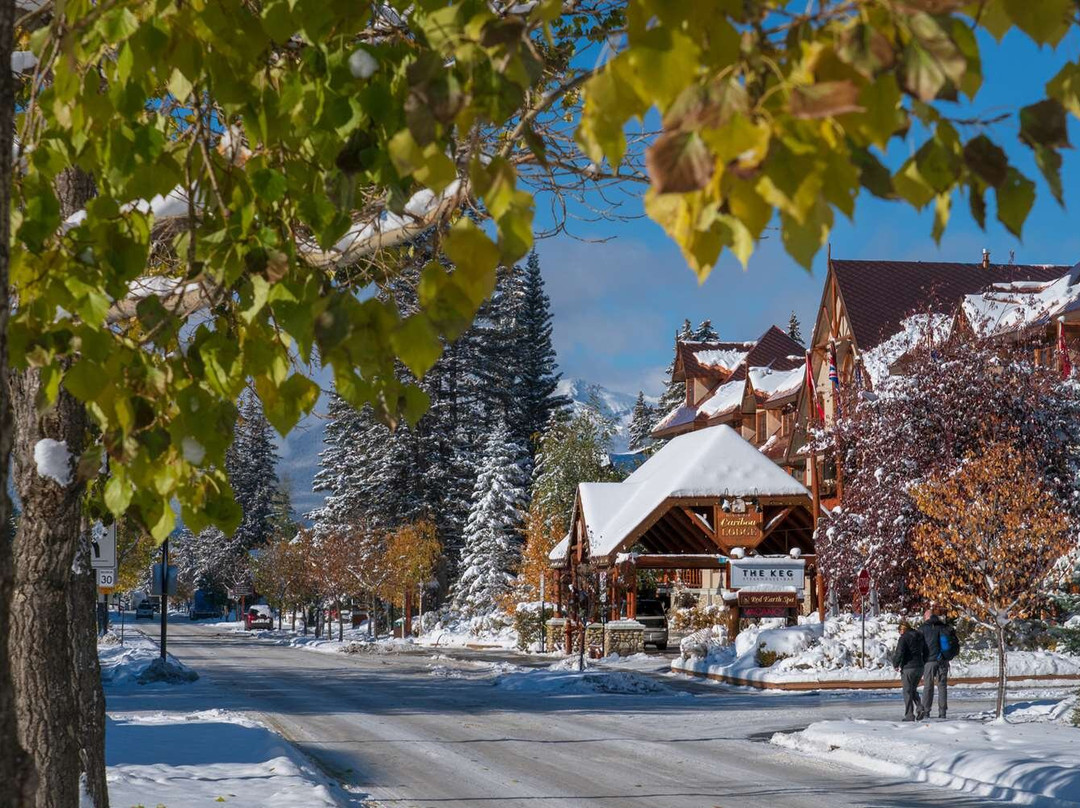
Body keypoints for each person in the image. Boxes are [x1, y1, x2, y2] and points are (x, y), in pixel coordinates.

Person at [920, 608, 954, 719]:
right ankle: (942, 712)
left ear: (927, 617)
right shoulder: (943, 627)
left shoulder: (923, 629)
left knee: (928, 687)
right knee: (942, 687)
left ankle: (926, 711)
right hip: (943, 661)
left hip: (929, 662)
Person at [892, 620, 929, 721]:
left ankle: (909, 715)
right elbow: (926, 651)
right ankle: (920, 707)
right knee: (912, 690)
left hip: (908, 667)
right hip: (920, 667)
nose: (899, 632)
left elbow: (900, 652)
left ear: (902, 629)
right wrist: (923, 662)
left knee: (907, 691)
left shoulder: (903, 638)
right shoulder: (920, 636)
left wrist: (896, 664)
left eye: (899, 630)